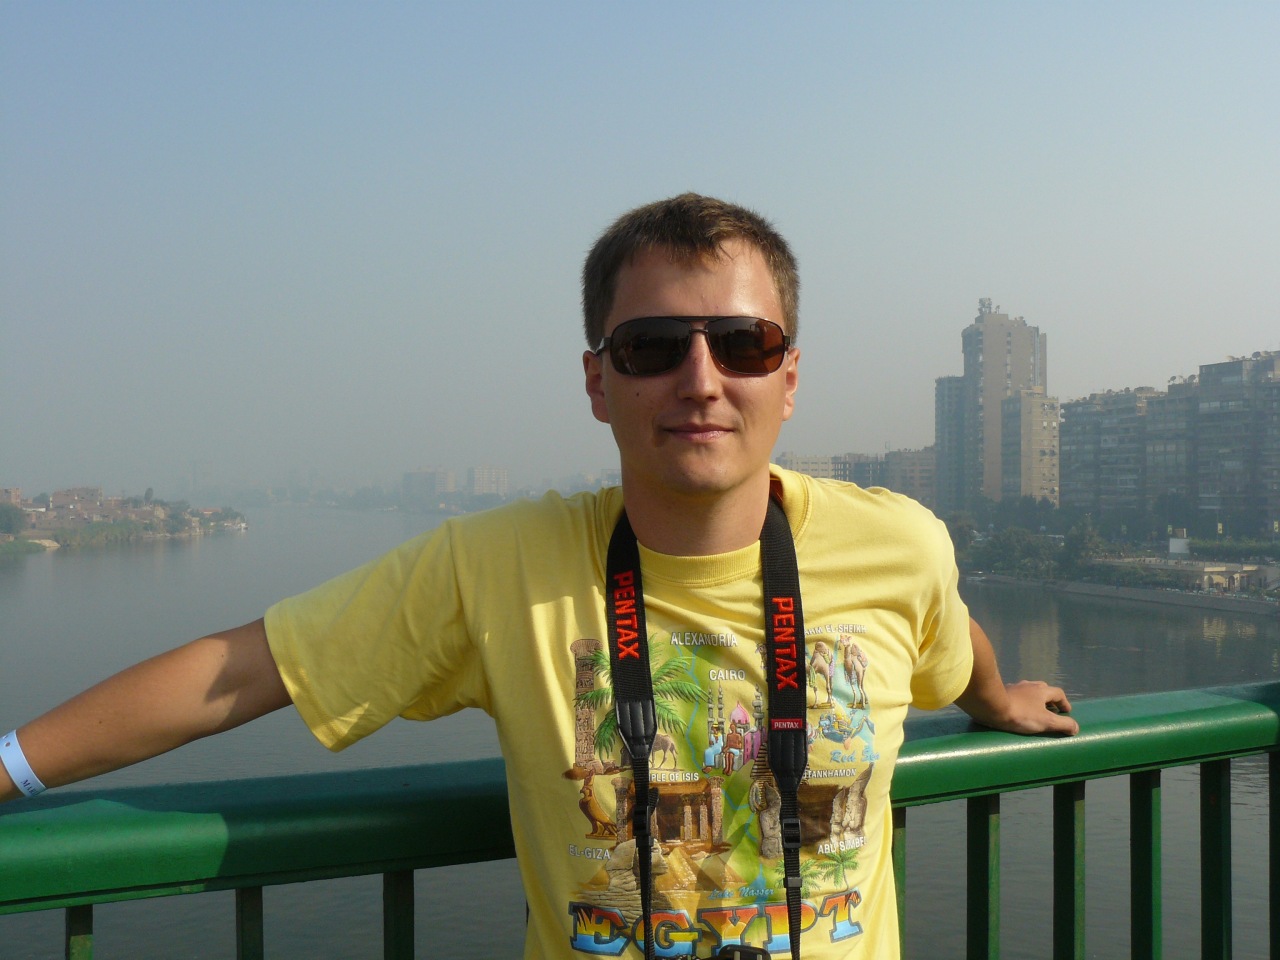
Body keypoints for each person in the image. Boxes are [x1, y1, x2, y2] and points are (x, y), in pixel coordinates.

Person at [1, 193, 1077, 959]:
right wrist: (7, 768)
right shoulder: (497, 567)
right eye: (652, 346)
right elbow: (243, 672)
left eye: (742, 343)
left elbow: (946, 634)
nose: (700, 379)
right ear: (597, 383)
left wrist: (992, 697)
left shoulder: (899, 543)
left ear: (787, 378)